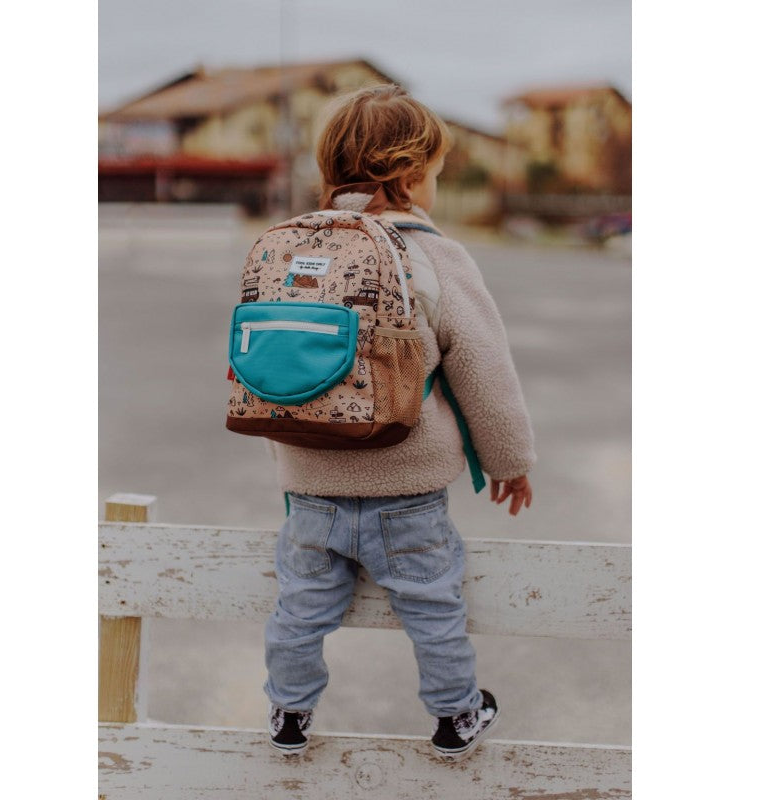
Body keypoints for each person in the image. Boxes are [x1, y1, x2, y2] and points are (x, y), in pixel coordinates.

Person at [263, 84, 535, 761]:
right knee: (434, 607)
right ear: (410, 178)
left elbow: (274, 367)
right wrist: (509, 461)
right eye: (435, 174)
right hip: (408, 490)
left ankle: (289, 713)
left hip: (311, 486)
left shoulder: (289, 250)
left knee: (299, 608)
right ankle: (456, 717)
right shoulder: (435, 255)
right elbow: (484, 369)